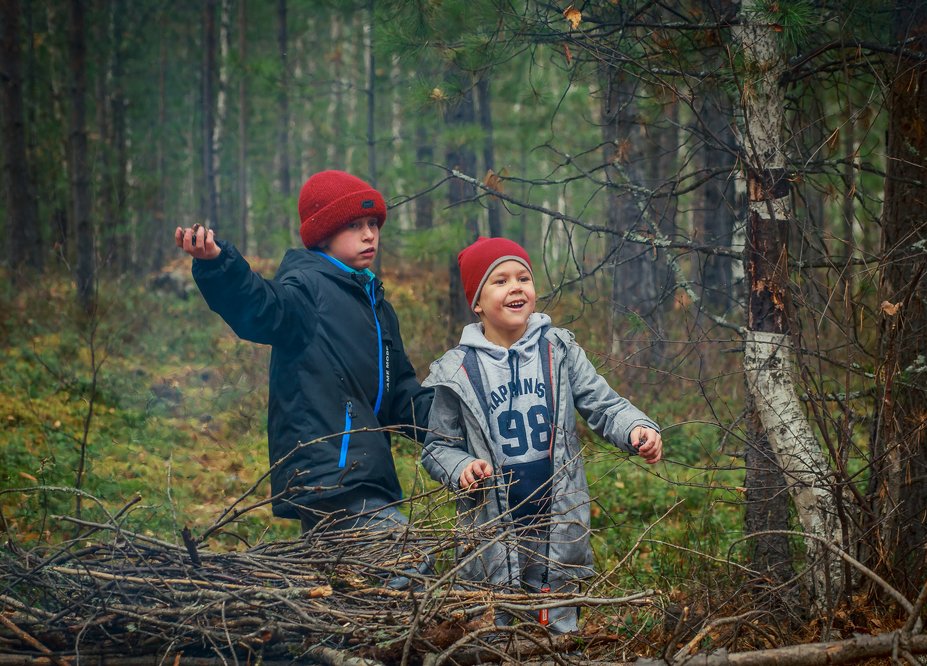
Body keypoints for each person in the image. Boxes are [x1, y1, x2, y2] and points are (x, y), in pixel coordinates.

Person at [420, 237, 662, 634]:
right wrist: (461, 466)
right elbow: (438, 447)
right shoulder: (457, 371)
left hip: (557, 520)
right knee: (502, 629)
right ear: (477, 302)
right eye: (500, 281)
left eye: (523, 277)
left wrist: (638, 427)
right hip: (495, 527)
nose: (516, 287)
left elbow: (604, 405)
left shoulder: (558, 350)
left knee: (559, 622)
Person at [175, 170, 434, 540]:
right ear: (325, 234)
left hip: (363, 476)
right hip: (329, 475)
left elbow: (401, 395)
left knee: (348, 588)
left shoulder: (376, 305)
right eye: (354, 225)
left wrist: (456, 418)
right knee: (408, 555)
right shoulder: (306, 289)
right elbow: (261, 307)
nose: (369, 234)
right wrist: (219, 265)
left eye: (373, 223)